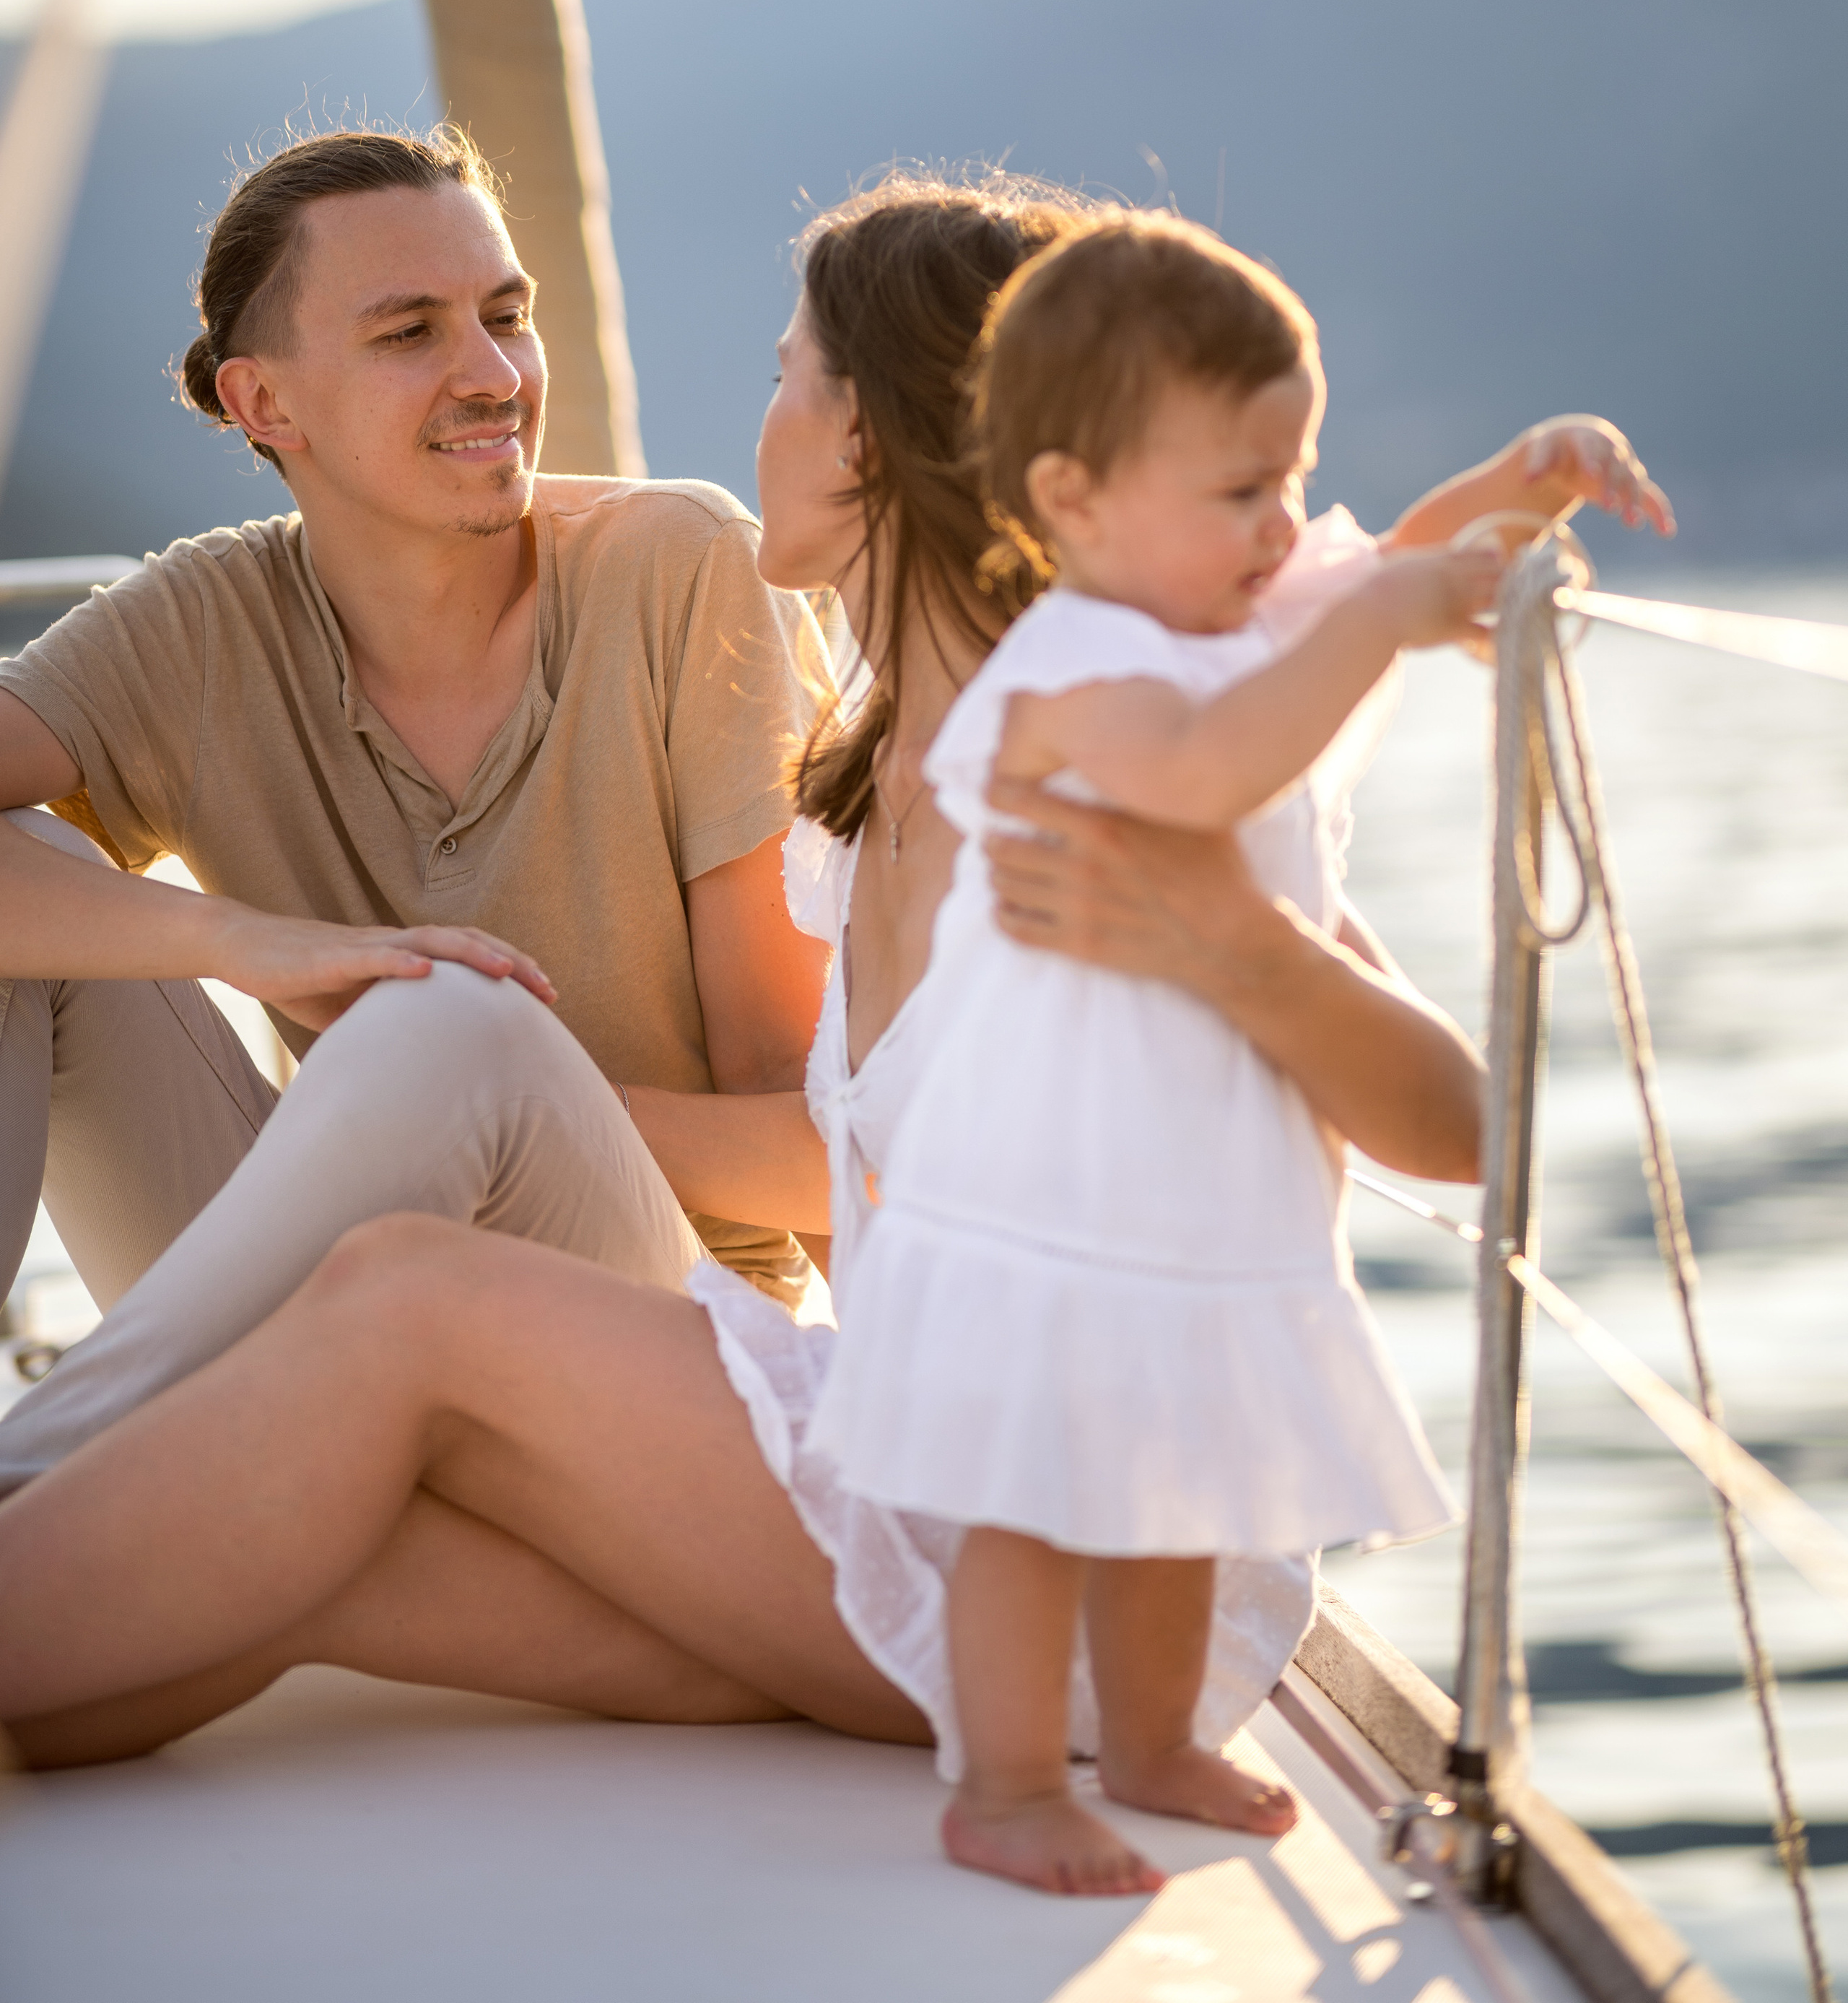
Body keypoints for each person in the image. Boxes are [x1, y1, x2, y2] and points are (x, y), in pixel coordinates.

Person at [0, 173, 1666, 1796]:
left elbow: (1459, 1124)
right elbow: (1305, 594)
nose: (758, 428)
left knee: (407, 1300)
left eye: (786, 378)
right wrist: (1449, 529)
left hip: (1064, 1580)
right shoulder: (903, 775)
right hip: (910, 1470)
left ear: (867, 433)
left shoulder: (1103, 787)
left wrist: (1226, 940)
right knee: (222, 1606)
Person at [808, 214, 1499, 1894]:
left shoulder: (1218, 621)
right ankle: (1008, 1783)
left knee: (1180, 1476)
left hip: (1187, 1183)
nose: (1283, 529)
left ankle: (1160, 1733)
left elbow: (1379, 556)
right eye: (1242, 492)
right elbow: (1193, 776)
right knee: (1033, 1504)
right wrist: (1391, 615)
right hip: (1051, 1188)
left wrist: (1513, 493)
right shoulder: (1072, 668)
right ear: (1070, 501)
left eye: (1293, 477)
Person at [0, 127, 831, 1342]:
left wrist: (469, 1097)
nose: (494, 374)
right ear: (264, 401)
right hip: (338, 1280)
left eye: (507, 314)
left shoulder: (680, 568)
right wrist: (239, 942)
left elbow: (808, 1147)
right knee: (46, 888)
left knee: (458, 1028)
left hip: (656, 1322)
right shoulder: (203, 622)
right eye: (411, 332)